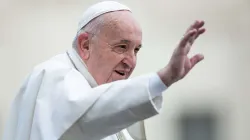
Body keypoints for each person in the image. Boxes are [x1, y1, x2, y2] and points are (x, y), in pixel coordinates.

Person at [2, 1, 206, 140]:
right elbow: (85, 117)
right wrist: (164, 78)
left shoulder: (109, 98)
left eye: (136, 49)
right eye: (121, 47)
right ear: (85, 45)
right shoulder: (53, 77)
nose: (131, 61)